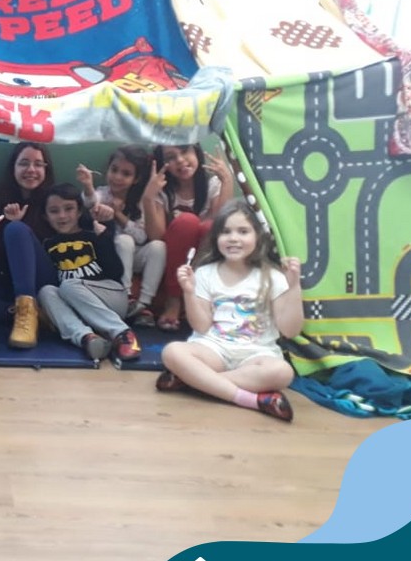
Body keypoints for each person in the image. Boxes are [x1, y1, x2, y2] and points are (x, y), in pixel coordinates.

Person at [158, 199, 303, 422]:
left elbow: (290, 330)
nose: (234, 238)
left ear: (258, 236)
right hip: (214, 349)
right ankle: (249, 399)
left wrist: (294, 288)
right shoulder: (205, 273)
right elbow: (201, 326)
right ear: (216, 238)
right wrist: (188, 292)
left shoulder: (273, 276)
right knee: (172, 352)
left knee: (283, 372)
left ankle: (195, 382)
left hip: (256, 354)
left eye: (243, 231)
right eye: (226, 232)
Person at [0, 142, 112, 349]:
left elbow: (83, 223)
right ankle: (28, 313)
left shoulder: (54, 201)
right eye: (24, 163)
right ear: (13, 168)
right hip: (5, 286)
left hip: (44, 284)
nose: (31, 170)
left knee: (17, 229)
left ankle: (28, 311)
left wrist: (103, 215)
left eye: (38, 164)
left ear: (46, 169)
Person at [37, 183, 142, 364]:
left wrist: (103, 238)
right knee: (46, 291)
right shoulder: (47, 244)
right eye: (54, 211)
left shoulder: (92, 235)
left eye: (69, 209)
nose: (62, 215)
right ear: (46, 216)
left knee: (69, 284)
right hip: (78, 306)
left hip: (110, 297)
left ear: (79, 211)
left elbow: (116, 272)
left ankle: (122, 333)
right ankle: (87, 338)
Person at [145, 142, 234, 332]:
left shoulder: (212, 183)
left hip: (202, 270)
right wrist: (148, 198)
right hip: (171, 271)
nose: (180, 160)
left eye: (185, 151)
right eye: (170, 157)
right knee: (186, 222)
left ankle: (200, 300)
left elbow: (219, 227)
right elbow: (156, 236)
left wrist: (227, 181)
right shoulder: (163, 189)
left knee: (210, 227)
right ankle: (174, 301)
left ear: (197, 152)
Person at [78, 145, 166, 329]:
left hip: (134, 255)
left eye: (126, 174)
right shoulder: (103, 193)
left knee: (158, 246)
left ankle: (144, 304)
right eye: (114, 170)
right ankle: (125, 296)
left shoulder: (140, 201)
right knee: (124, 241)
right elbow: (90, 201)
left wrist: (118, 214)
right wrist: (88, 186)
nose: (117, 177)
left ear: (136, 179)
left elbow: (142, 238)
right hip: (111, 256)